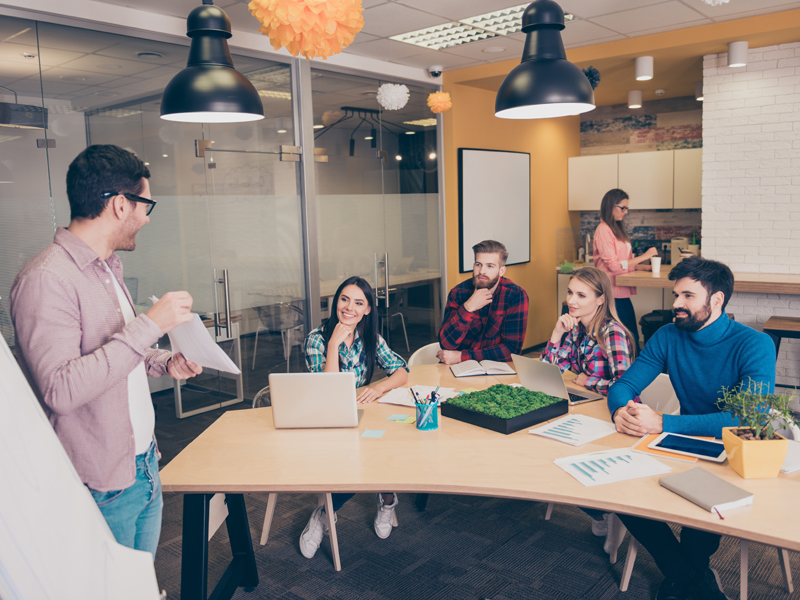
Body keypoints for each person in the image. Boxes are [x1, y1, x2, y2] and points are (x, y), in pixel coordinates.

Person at [10, 144, 203, 560]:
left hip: (142, 463)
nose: (147, 217)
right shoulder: (47, 279)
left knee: (139, 586)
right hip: (101, 485)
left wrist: (163, 361)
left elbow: (115, 351)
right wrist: (151, 324)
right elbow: (60, 389)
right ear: (120, 204)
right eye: (144, 204)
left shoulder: (106, 267)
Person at [607, 256, 776, 600]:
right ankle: (692, 577)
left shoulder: (754, 344)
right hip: (680, 444)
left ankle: (683, 576)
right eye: (675, 295)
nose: (676, 305)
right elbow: (623, 385)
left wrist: (662, 422)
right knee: (619, 492)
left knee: (701, 514)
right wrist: (620, 411)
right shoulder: (668, 335)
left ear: (716, 300)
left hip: (731, 450)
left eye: (687, 296)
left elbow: (748, 419)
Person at [300, 276, 409, 559]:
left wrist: (378, 387)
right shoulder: (317, 339)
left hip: (360, 415)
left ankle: (386, 499)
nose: (349, 307)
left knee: (391, 443)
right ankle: (324, 513)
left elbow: (402, 370)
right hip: (326, 417)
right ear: (336, 302)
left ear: (368, 309)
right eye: (344, 299)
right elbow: (326, 390)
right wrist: (334, 344)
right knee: (356, 459)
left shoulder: (371, 337)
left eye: (359, 302)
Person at [540, 266, 635, 555]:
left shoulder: (612, 332)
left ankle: (609, 509)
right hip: (583, 408)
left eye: (581, 295)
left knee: (561, 460)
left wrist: (589, 380)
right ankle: (601, 512)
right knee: (543, 454)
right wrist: (556, 333)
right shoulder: (576, 328)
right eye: (570, 292)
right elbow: (549, 370)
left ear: (601, 299)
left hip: (612, 415)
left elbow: (626, 385)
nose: (572, 300)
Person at [437, 240, 529, 365]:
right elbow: (446, 344)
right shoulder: (458, 292)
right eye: (478, 264)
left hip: (495, 368)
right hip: (458, 368)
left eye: (490, 266)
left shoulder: (515, 295)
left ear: (501, 271)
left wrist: (462, 356)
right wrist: (468, 307)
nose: (482, 271)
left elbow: (512, 350)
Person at [593, 189, 659, 353]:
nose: (626, 212)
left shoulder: (615, 229)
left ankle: (632, 368)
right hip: (610, 291)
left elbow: (623, 262)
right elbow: (614, 266)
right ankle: (631, 370)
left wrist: (644, 267)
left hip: (620, 290)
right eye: (622, 208)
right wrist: (644, 256)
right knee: (629, 336)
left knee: (630, 334)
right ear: (611, 206)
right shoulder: (603, 230)